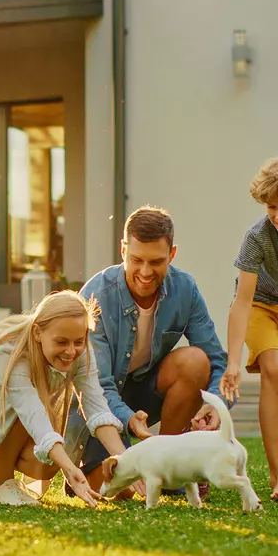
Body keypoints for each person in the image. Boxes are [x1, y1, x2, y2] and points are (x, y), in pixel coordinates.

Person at [69, 206, 229, 496]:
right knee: (123, 491)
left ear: (172, 254)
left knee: (195, 361)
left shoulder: (185, 289)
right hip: (96, 405)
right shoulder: (95, 295)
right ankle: (88, 466)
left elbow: (217, 360)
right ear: (123, 250)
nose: (145, 272)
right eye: (136, 260)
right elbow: (97, 387)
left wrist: (216, 405)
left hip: (145, 393)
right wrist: (128, 418)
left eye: (156, 262)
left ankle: (169, 467)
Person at [0, 291, 129, 508]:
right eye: (61, 342)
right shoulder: (10, 352)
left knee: (47, 465)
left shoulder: (80, 350)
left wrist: (128, 463)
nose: (71, 351)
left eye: (79, 341)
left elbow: (97, 409)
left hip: (7, 412)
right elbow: (31, 413)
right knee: (33, 419)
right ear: (38, 332)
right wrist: (70, 469)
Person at [221, 157, 278, 500]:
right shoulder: (257, 237)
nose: (277, 216)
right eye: (272, 207)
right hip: (261, 305)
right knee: (273, 369)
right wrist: (233, 363)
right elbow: (242, 303)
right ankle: (277, 475)